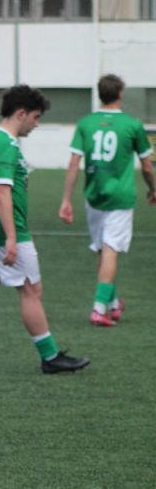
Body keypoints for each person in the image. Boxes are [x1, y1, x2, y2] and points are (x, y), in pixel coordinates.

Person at [0, 85, 90, 375]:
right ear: (21, 114)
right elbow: (2, 191)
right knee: (31, 290)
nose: (37, 124)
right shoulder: (7, 146)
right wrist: (12, 237)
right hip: (4, 229)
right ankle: (50, 357)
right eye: (35, 117)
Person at [59, 74, 156, 326]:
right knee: (111, 249)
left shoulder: (86, 123)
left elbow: (73, 162)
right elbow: (147, 166)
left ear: (99, 94)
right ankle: (99, 309)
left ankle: (112, 304)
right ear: (120, 93)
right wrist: (153, 189)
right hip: (121, 197)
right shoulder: (132, 124)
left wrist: (66, 199)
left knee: (103, 249)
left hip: (93, 195)